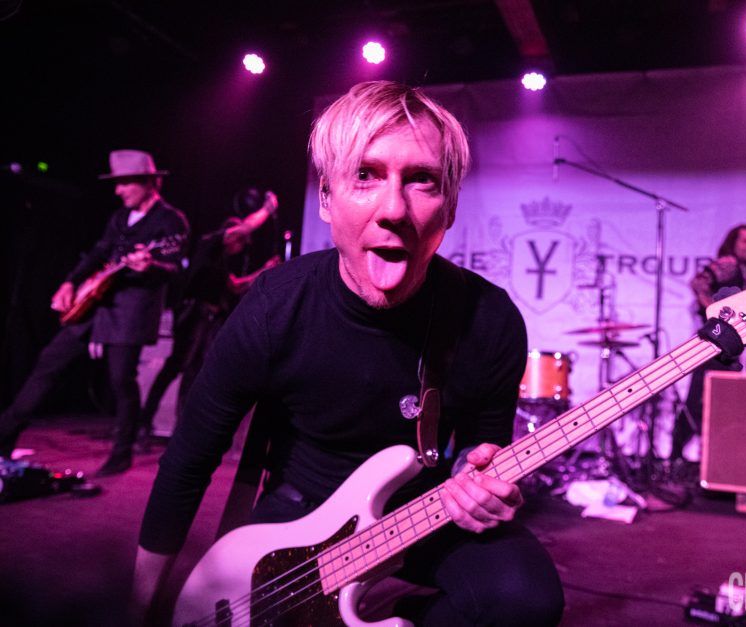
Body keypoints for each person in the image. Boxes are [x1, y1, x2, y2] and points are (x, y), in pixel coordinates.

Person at [134, 81, 564, 625]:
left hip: (424, 513)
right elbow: (189, 459)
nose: (394, 208)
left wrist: (480, 484)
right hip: (301, 513)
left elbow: (483, 447)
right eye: (365, 174)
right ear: (325, 198)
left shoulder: (490, 318)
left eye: (422, 180)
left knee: (527, 601)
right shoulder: (275, 307)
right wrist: (138, 609)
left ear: (450, 206)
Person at [0, 149, 189, 476]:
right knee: (49, 362)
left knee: (121, 380)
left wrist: (151, 265)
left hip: (130, 311)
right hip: (95, 303)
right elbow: (99, 252)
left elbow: (175, 268)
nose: (118, 190)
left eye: (125, 183)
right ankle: (5, 435)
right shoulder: (119, 218)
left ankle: (122, 452)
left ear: (149, 182)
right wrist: (70, 283)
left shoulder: (170, 221)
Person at [137, 190, 279, 442]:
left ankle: (177, 427)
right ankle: (149, 424)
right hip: (194, 315)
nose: (242, 247)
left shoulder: (220, 261)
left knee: (191, 371)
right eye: (240, 242)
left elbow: (235, 286)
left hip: (205, 320)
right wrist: (267, 209)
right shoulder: (210, 243)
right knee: (180, 368)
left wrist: (265, 271)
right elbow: (244, 229)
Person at [672, 224, 746, 462]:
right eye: (745, 241)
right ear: (733, 243)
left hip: (723, 347)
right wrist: (715, 311)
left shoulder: (740, 269)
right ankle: (675, 457)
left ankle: (692, 458)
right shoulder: (729, 263)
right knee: (698, 402)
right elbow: (698, 283)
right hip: (713, 345)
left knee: (711, 403)